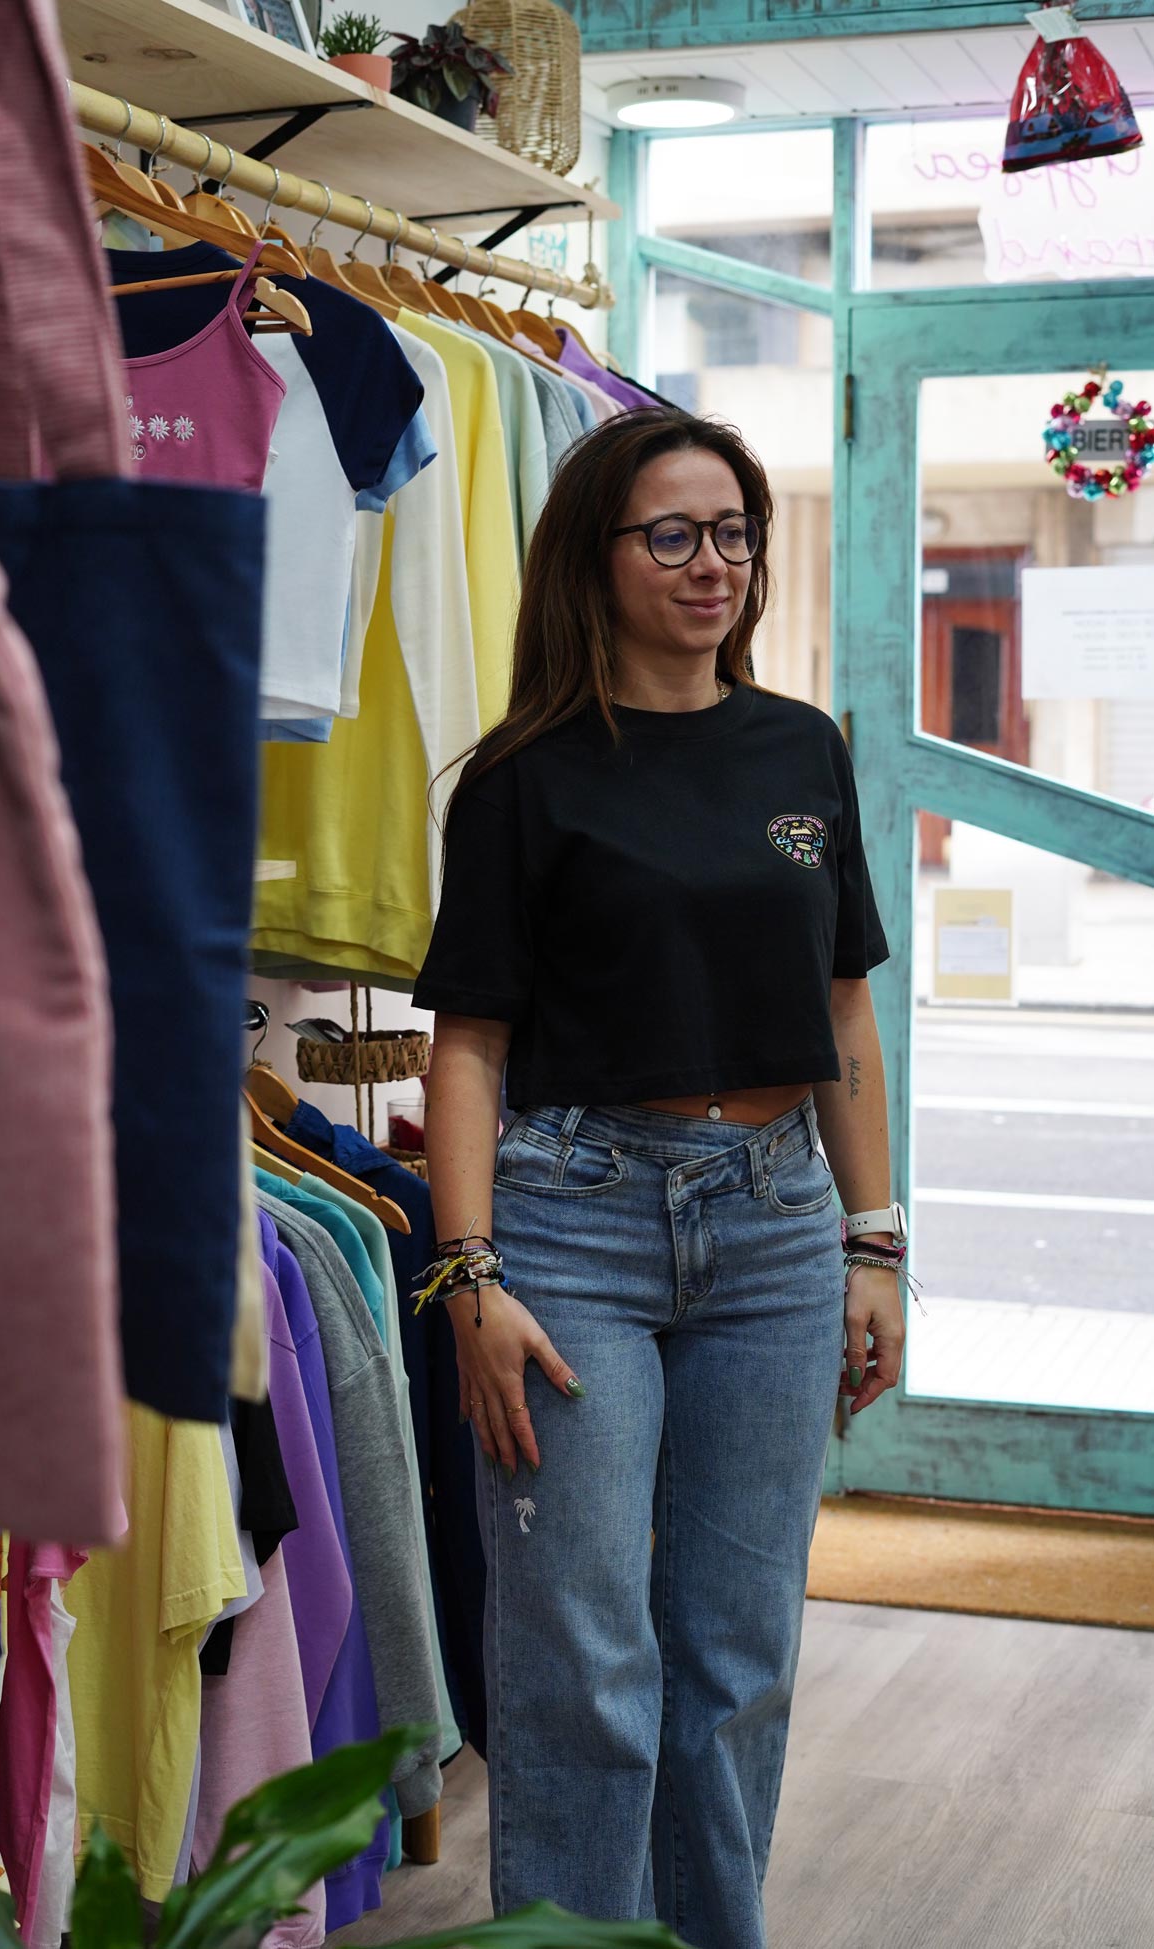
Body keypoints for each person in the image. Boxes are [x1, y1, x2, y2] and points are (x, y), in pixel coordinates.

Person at [411, 407, 908, 1949]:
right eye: (675, 535)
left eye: (735, 534)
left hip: (775, 1230)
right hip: (570, 1224)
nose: (714, 564)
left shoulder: (800, 746)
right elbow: (470, 1051)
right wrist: (469, 1275)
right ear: (599, 558)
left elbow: (843, 1020)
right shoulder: (522, 780)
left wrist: (876, 1240)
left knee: (737, 1651)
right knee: (581, 1661)